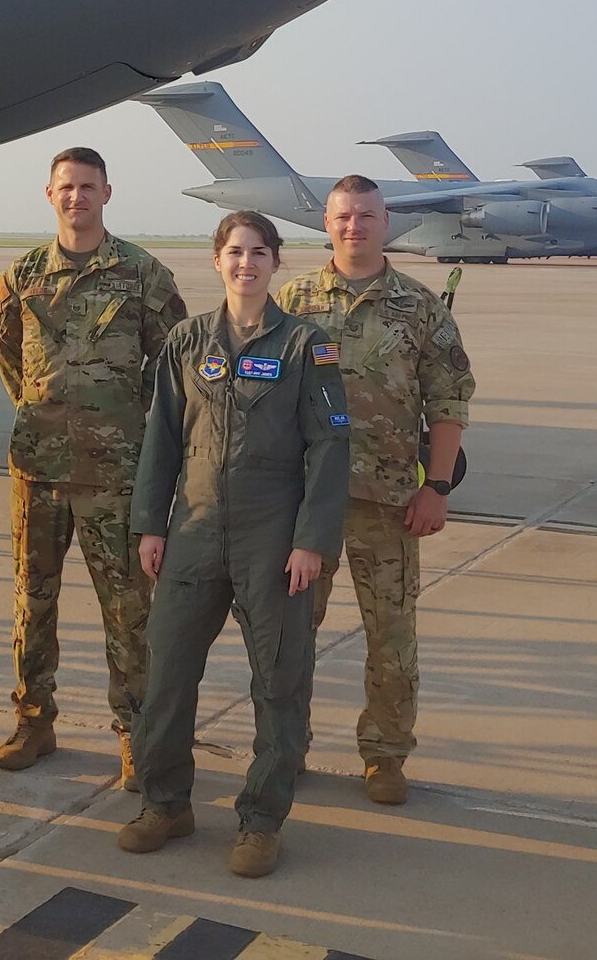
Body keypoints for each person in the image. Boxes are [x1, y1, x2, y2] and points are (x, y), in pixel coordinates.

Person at [119, 210, 348, 879]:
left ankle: (261, 820)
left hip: (271, 537)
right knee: (164, 678)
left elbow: (331, 447)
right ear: (216, 261)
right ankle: (165, 803)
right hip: (191, 529)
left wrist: (311, 541)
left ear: (276, 262)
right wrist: (150, 524)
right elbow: (161, 439)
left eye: (258, 252)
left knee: (279, 681)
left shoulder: (308, 345)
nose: (245, 263)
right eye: (233, 252)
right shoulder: (187, 342)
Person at [0, 147, 186, 787]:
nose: (77, 197)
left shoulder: (142, 275)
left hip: (115, 476)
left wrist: (130, 428)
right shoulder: (20, 276)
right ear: (49, 195)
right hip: (37, 471)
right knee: (31, 603)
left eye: (88, 187)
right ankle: (34, 720)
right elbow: (9, 353)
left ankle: (135, 734)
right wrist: (40, 411)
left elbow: (174, 366)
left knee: (128, 611)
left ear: (107, 193)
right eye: (66, 187)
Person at [275, 174, 475, 805]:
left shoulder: (419, 306)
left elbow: (448, 402)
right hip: (305, 504)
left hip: (388, 504)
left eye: (365, 215)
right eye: (343, 216)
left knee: (391, 637)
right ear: (326, 224)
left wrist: (436, 487)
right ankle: (286, 745)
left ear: (385, 222)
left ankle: (386, 755)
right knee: (290, 635)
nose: (354, 226)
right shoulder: (293, 299)